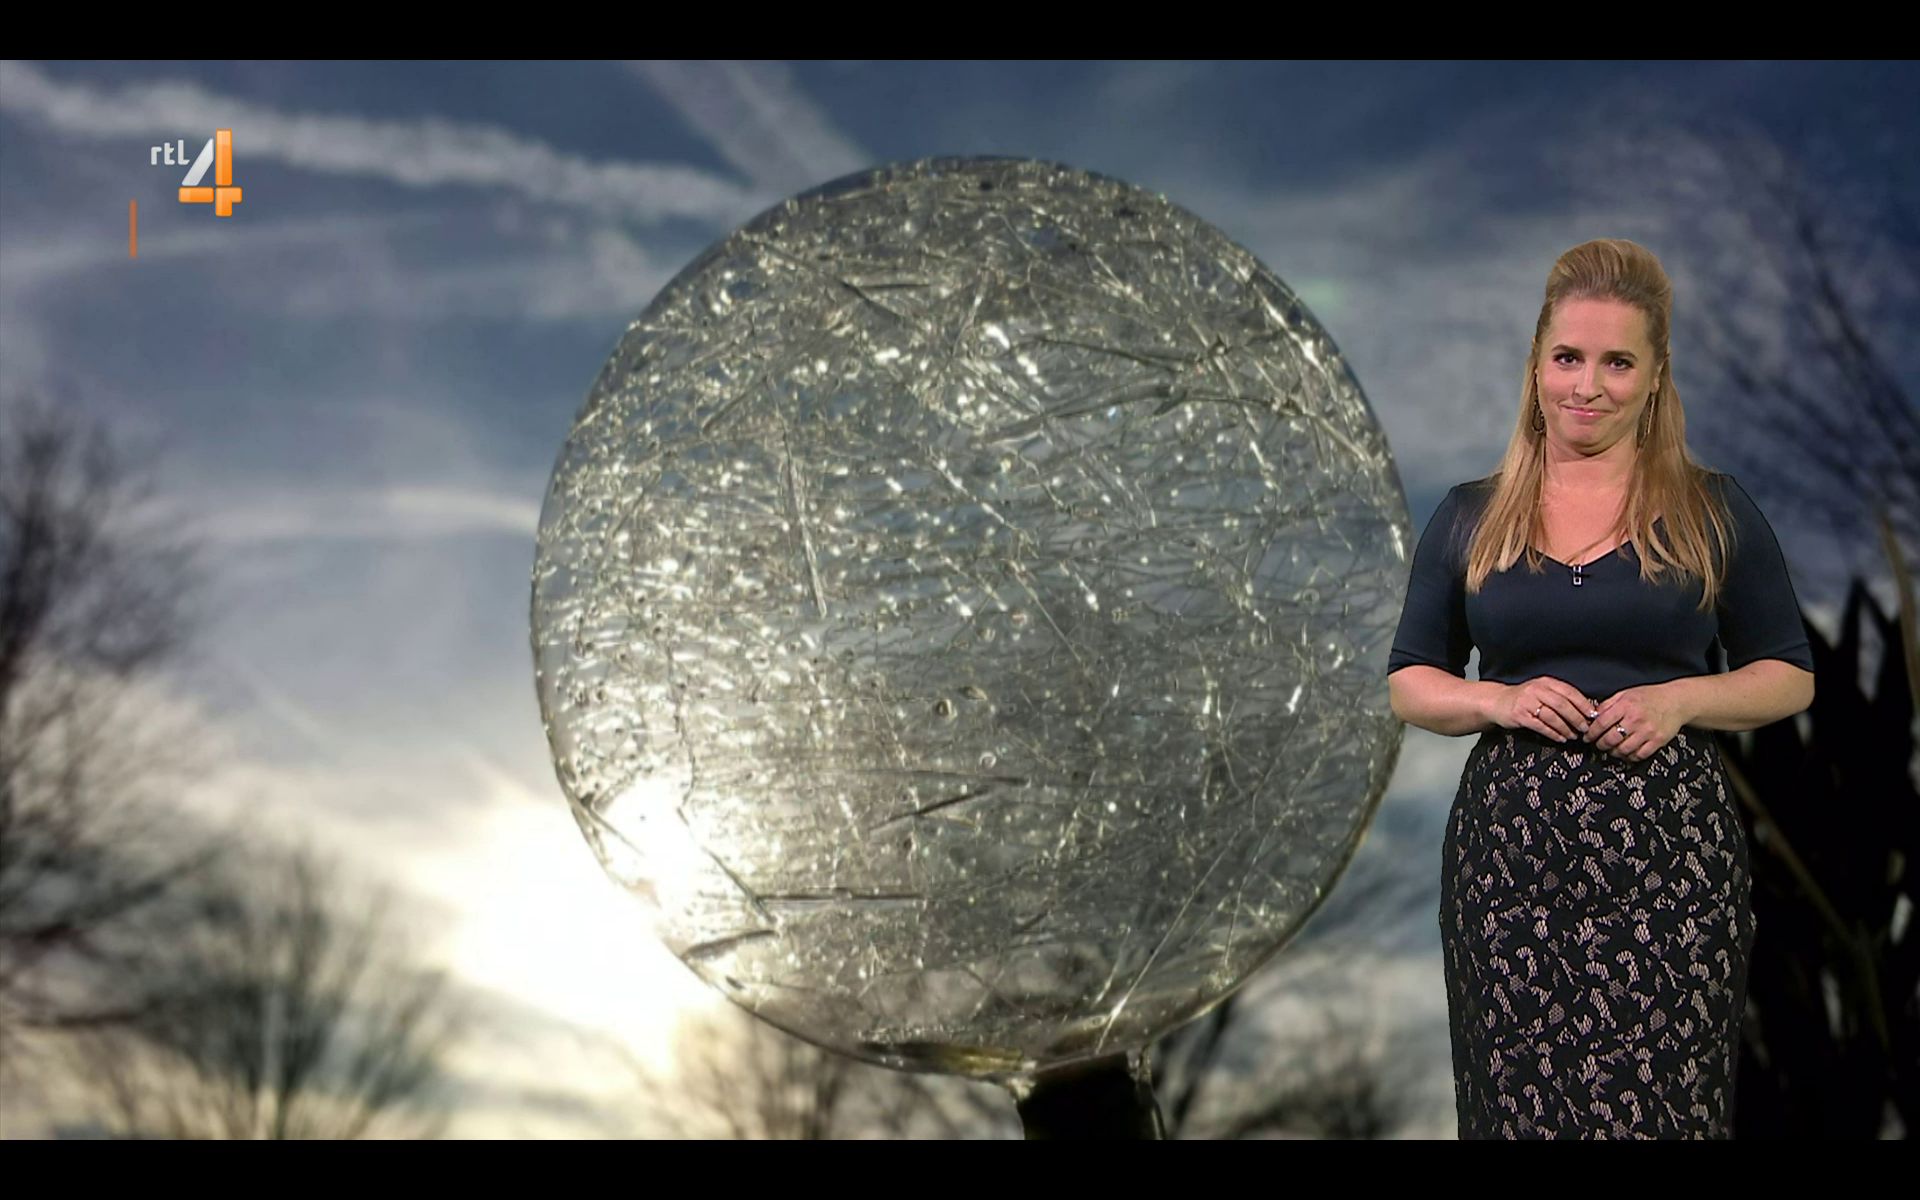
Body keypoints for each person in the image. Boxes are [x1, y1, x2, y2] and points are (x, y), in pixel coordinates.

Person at [1386, 238, 1816, 1139]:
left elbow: (1788, 675)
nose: (1588, 385)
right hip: (1511, 867)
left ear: (1656, 376)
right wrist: (1498, 702)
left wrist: (1682, 699)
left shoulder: (1713, 509)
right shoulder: (1470, 514)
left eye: (1618, 362)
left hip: (1671, 861)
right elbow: (1411, 684)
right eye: (1568, 358)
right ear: (1537, 364)